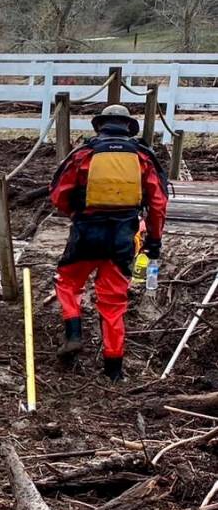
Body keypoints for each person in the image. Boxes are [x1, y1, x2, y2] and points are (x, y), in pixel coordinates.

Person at [49, 104, 169, 382]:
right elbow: (159, 204)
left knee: (67, 282)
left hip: (86, 234)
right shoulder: (143, 157)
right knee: (113, 303)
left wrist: (77, 214)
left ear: (100, 125)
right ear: (128, 127)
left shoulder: (83, 154)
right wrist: (154, 240)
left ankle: (74, 333)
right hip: (123, 237)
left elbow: (58, 195)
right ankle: (113, 371)